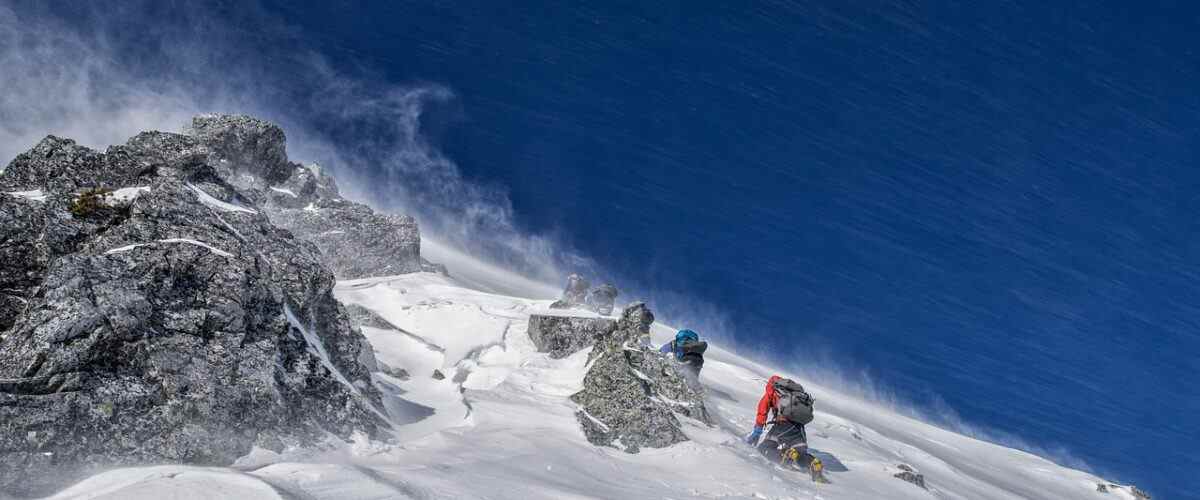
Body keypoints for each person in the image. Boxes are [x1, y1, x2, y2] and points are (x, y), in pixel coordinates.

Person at [745, 375, 812, 468]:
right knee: (800, 454)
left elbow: (762, 409)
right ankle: (813, 463)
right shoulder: (796, 393)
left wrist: (758, 430)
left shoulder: (773, 391)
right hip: (799, 428)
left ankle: (783, 457)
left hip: (783, 425)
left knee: (764, 448)